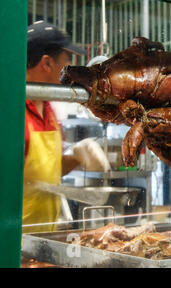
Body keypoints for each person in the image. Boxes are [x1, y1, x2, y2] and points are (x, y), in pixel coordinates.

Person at [23, 21, 110, 233]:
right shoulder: (13, 113)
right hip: (12, 242)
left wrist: (77, 156)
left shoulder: (48, 109)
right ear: (46, 63)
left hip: (43, 235)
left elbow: (49, 172)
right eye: (67, 62)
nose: (70, 70)